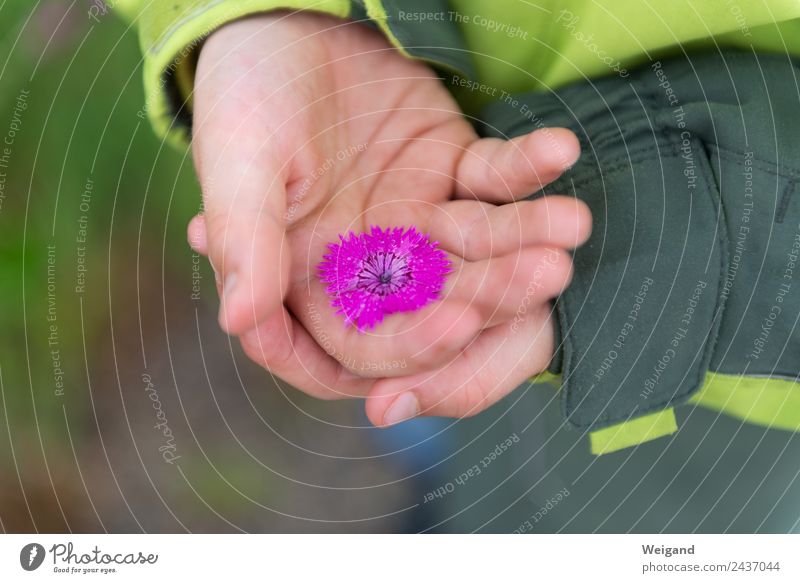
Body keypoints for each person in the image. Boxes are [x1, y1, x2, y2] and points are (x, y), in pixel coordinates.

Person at [115, 1, 800, 531]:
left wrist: (705, 225)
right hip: (432, 185)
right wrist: (267, 12)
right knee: (435, 413)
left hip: (720, 389)